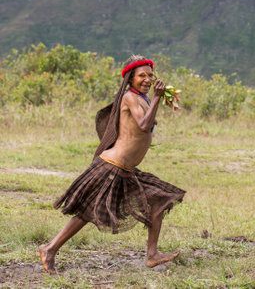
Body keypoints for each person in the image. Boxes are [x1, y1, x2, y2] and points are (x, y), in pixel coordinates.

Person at [39, 55, 186, 274]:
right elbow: (144, 125)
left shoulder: (143, 98)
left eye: (150, 75)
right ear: (130, 79)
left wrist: (156, 99)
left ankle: (152, 254)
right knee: (86, 213)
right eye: (141, 76)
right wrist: (156, 98)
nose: (147, 79)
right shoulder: (130, 97)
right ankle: (50, 249)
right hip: (112, 166)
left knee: (160, 200)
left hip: (126, 170)